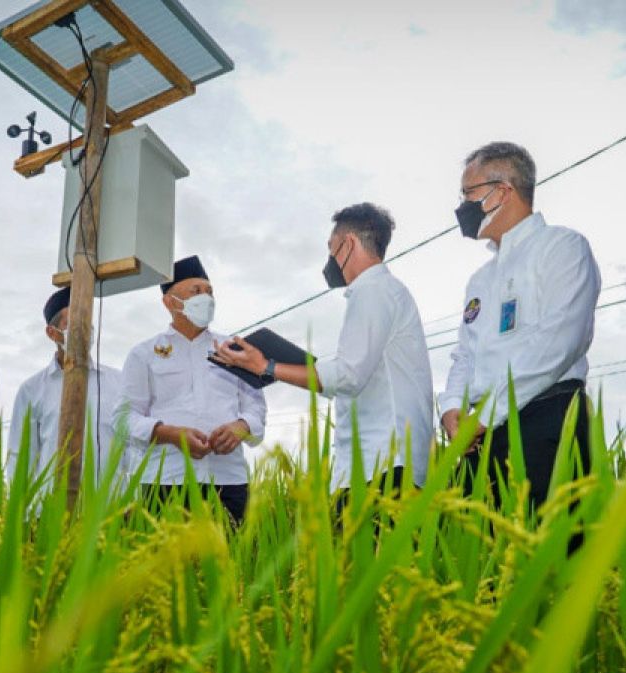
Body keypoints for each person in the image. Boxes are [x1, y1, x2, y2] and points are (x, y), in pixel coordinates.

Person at [212, 202, 434, 494]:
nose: (329, 257)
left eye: (331, 247)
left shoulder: (372, 291)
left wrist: (266, 366)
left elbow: (347, 375)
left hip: (381, 466)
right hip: (382, 462)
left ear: (348, 243)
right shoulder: (385, 293)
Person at [438, 142, 601, 514]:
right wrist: (452, 408)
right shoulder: (480, 279)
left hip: (546, 421)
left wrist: (484, 415)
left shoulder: (561, 247)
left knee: (552, 554)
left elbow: (559, 342)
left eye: (469, 193)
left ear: (503, 191)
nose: (462, 205)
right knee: (481, 558)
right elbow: (465, 354)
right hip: (478, 437)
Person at [117, 255, 267, 526]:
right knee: (166, 567)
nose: (206, 298)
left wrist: (242, 426)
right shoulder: (144, 354)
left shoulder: (234, 349)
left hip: (228, 482)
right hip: (166, 483)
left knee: (230, 564)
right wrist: (170, 434)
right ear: (170, 302)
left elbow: (256, 408)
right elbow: (124, 419)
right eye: (196, 291)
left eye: (210, 292)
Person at [6, 287, 128, 486]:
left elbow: (132, 447)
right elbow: (20, 458)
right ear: (52, 333)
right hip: (52, 510)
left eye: (87, 320)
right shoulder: (32, 390)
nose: (84, 328)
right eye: (73, 322)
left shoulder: (118, 382)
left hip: (112, 509)